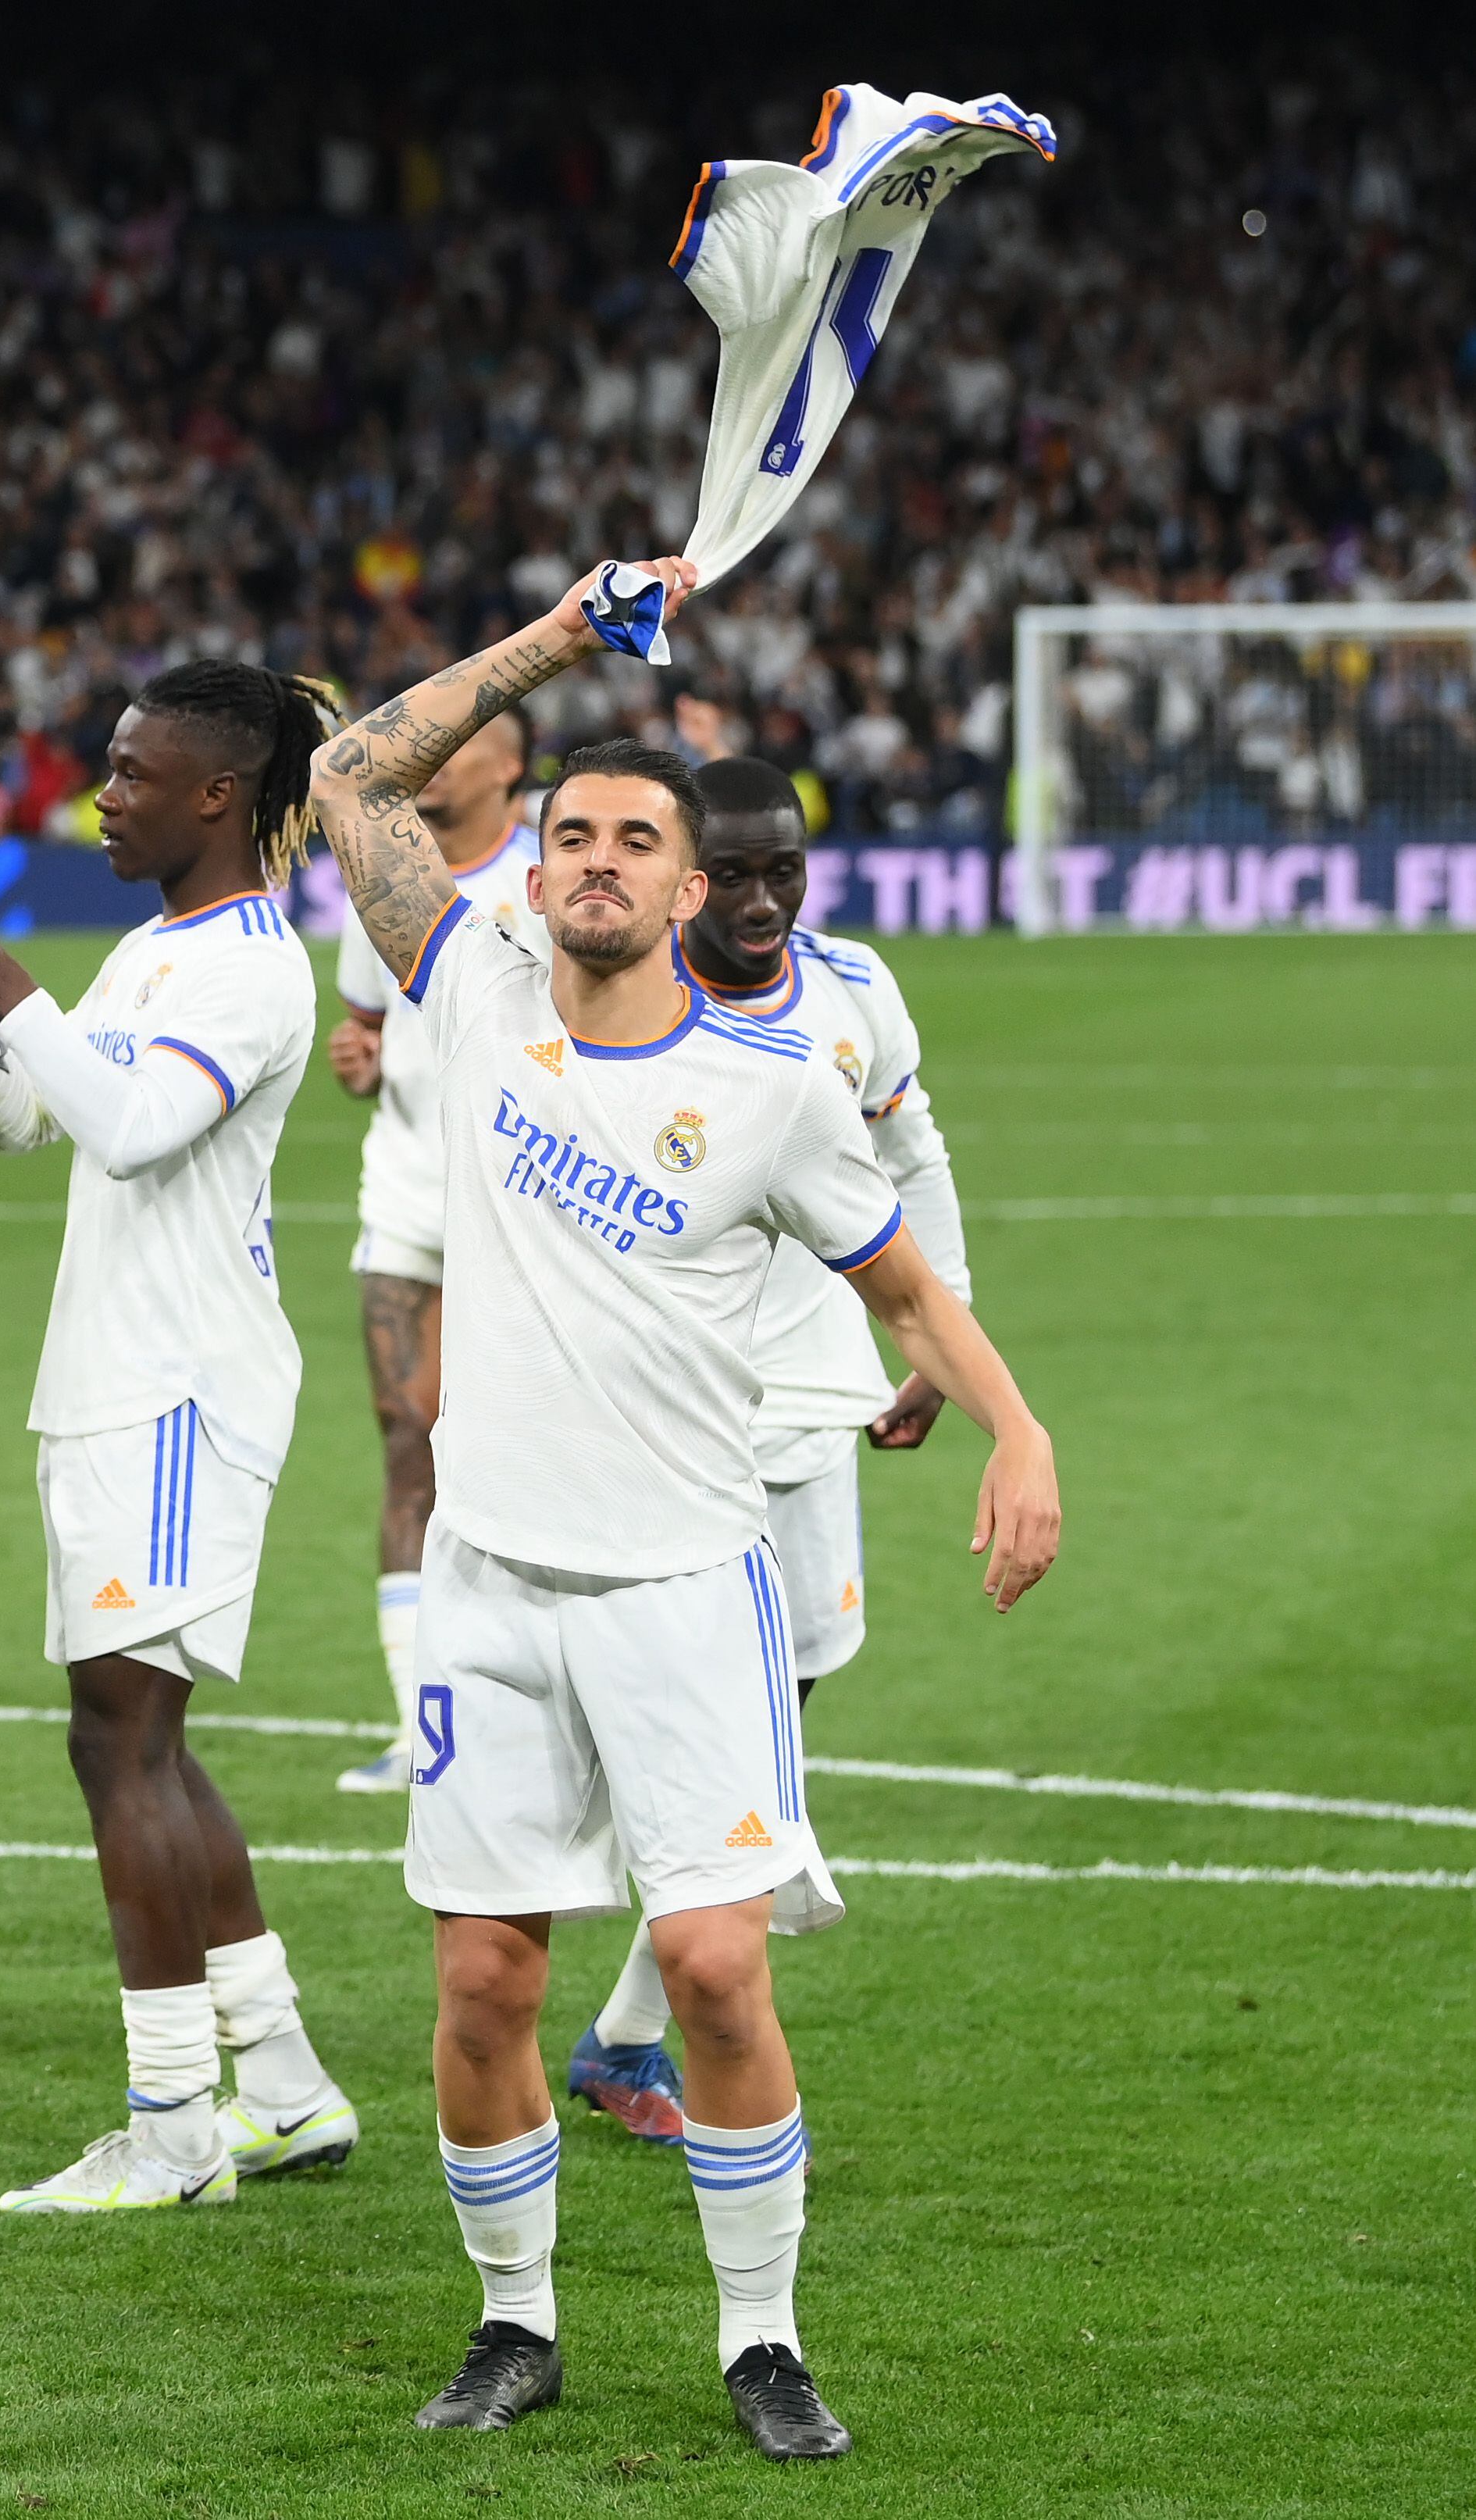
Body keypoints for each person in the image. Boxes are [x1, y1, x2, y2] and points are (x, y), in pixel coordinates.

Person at [306, 559, 1060, 2460]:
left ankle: (759, 2332)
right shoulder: (466, 983)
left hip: (675, 1581)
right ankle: (513, 2320)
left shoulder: (775, 1086)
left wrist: (1018, 1430)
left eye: (633, 837)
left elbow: (902, 1279)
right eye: (567, 830)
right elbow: (349, 777)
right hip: (484, 1577)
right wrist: (561, 637)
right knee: (483, 1975)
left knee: (716, 1964)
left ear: (687, 880)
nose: (591, 861)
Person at [0, 660, 363, 2216]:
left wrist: (10, 981)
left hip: (177, 1391)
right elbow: (42, 1120)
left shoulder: (252, 966)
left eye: (130, 771)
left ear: (217, 795)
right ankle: (280, 2089)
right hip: (114, 1383)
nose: (101, 793)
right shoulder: (157, 949)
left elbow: (141, 1125)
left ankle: (173, 2132)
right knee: (137, 1738)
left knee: (123, 1741)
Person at [564, 756, 972, 2143]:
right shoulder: (614, 991)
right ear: (681, 874)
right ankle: (631, 2023)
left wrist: (940, 1335)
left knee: (784, 1705)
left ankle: (627, 2033)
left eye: (779, 868)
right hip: (650, 1410)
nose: (757, 897)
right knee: (699, 1737)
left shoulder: (852, 988)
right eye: (727, 870)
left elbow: (912, 1161)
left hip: (804, 1403)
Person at [322, 707, 535, 1794]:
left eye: (460, 746)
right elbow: (365, 1026)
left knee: (528, 1449)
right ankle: (421, 1731)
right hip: (408, 1191)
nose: (434, 761)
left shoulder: (554, 875)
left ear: (512, 766)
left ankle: (541, 1704)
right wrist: (357, 1058)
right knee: (411, 1443)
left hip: (533, 1203)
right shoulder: (385, 878)